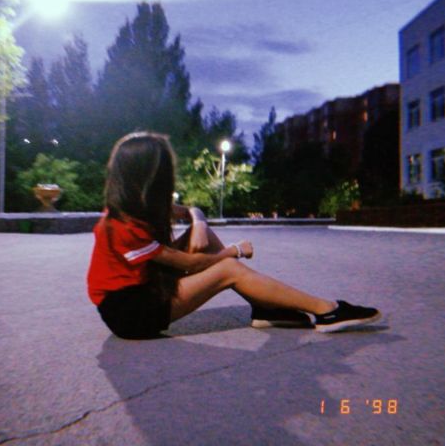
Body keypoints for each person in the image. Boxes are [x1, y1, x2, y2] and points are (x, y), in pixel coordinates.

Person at [87, 132, 381, 339]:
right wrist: (234, 251)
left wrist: (199, 224)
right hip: (131, 314)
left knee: (212, 246)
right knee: (228, 269)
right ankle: (326, 310)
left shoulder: (138, 207)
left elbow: (192, 211)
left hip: (144, 291)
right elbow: (189, 263)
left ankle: (265, 309)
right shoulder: (120, 226)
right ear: (150, 177)